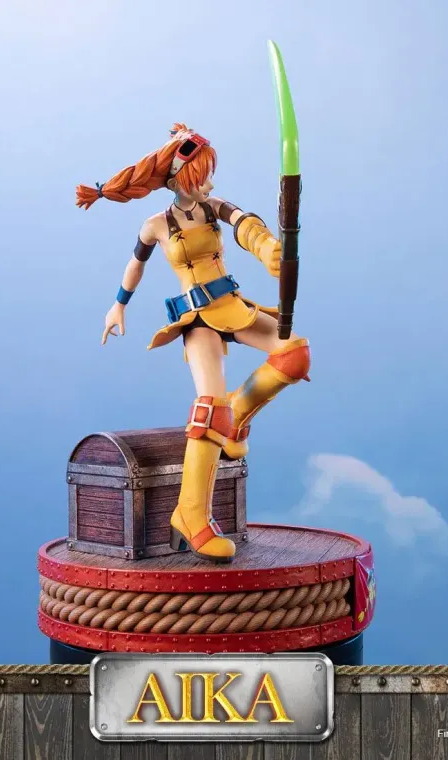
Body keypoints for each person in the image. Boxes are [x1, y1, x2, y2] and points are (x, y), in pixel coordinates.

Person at [75, 124, 311, 564]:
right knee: (209, 407)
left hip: (232, 305)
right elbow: (136, 265)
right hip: (197, 318)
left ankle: (238, 416)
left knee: (293, 355)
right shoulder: (155, 225)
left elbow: (245, 225)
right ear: (179, 179)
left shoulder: (212, 208)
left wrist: (268, 250)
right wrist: (118, 306)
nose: (210, 185)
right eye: (202, 177)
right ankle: (191, 515)